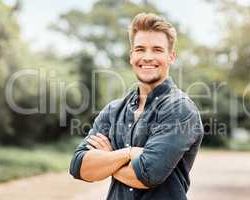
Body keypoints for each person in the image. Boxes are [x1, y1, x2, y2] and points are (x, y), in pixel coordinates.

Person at [69, 12, 204, 200]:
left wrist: (108, 160)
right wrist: (128, 153)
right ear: (132, 55)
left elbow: (149, 175)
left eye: (157, 49)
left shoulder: (179, 109)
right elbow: (79, 167)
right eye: (140, 49)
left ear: (171, 56)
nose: (147, 57)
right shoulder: (113, 111)